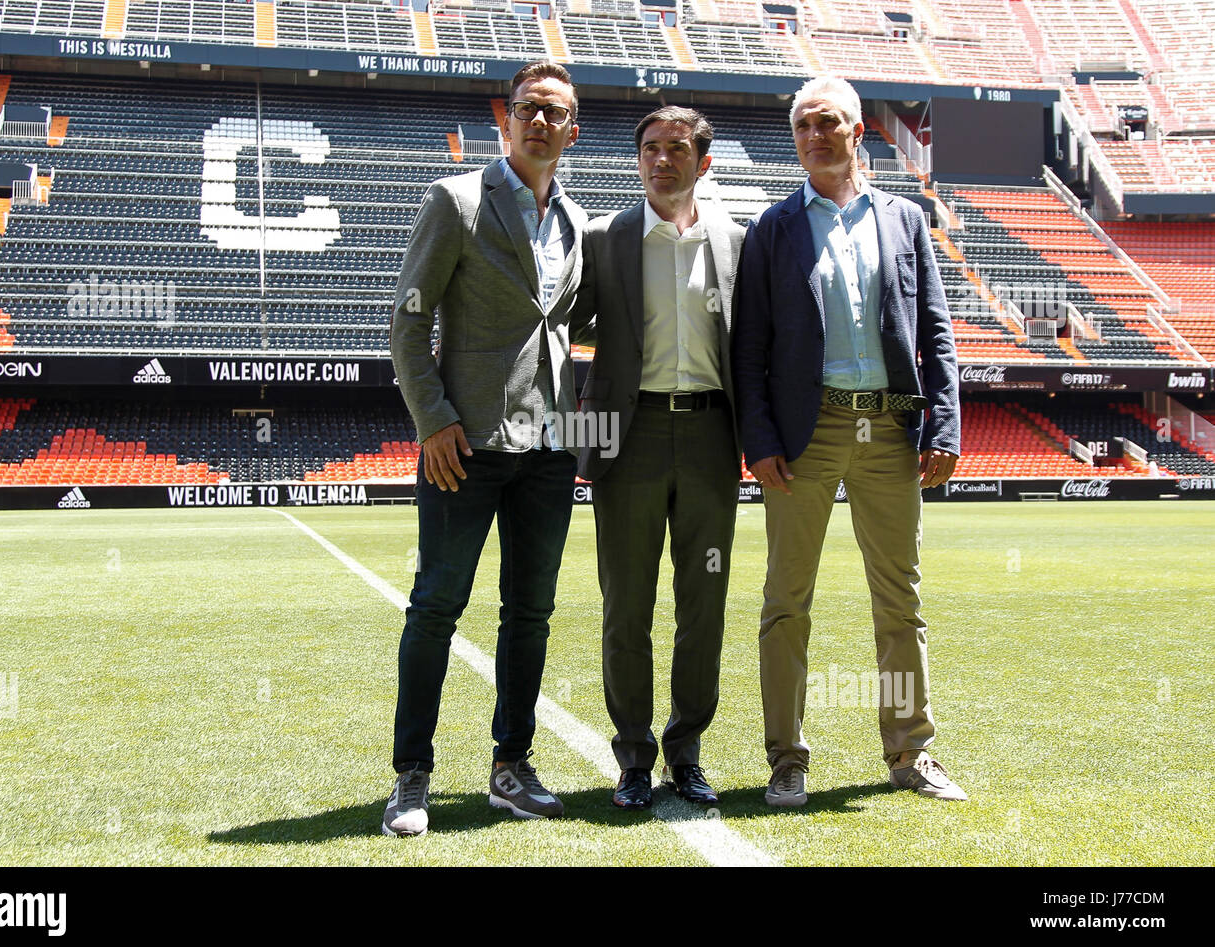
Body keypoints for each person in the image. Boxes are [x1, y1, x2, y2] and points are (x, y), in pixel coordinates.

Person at [731, 75, 967, 808]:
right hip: (808, 433)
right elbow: (749, 349)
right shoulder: (772, 229)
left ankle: (910, 753)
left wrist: (944, 421)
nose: (813, 136)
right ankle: (786, 759)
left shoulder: (905, 219)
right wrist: (760, 439)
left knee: (900, 600)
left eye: (826, 123)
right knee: (786, 600)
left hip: (892, 426)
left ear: (856, 131)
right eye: (802, 125)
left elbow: (936, 332)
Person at [384, 60, 589, 837]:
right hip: (461, 446)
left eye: (555, 113)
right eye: (528, 108)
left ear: (574, 130)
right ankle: (412, 776)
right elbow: (407, 320)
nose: (540, 122)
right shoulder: (457, 200)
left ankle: (511, 766)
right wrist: (433, 419)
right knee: (436, 605)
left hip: (549, 446)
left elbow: (569, 325)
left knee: (530, 612)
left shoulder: (577, 223)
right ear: (506, 120)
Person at [571, 107, 745, 810]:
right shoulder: (603, 240)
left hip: (710, 437)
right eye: (650, 148)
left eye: (677, 149)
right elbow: (558, 325)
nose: (661, 160)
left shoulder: (738, 242)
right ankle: (634, 757)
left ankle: (687, 749)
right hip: (628, 433)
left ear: (704, 162)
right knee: (627, 607)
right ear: (637, 158)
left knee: (703, 605)